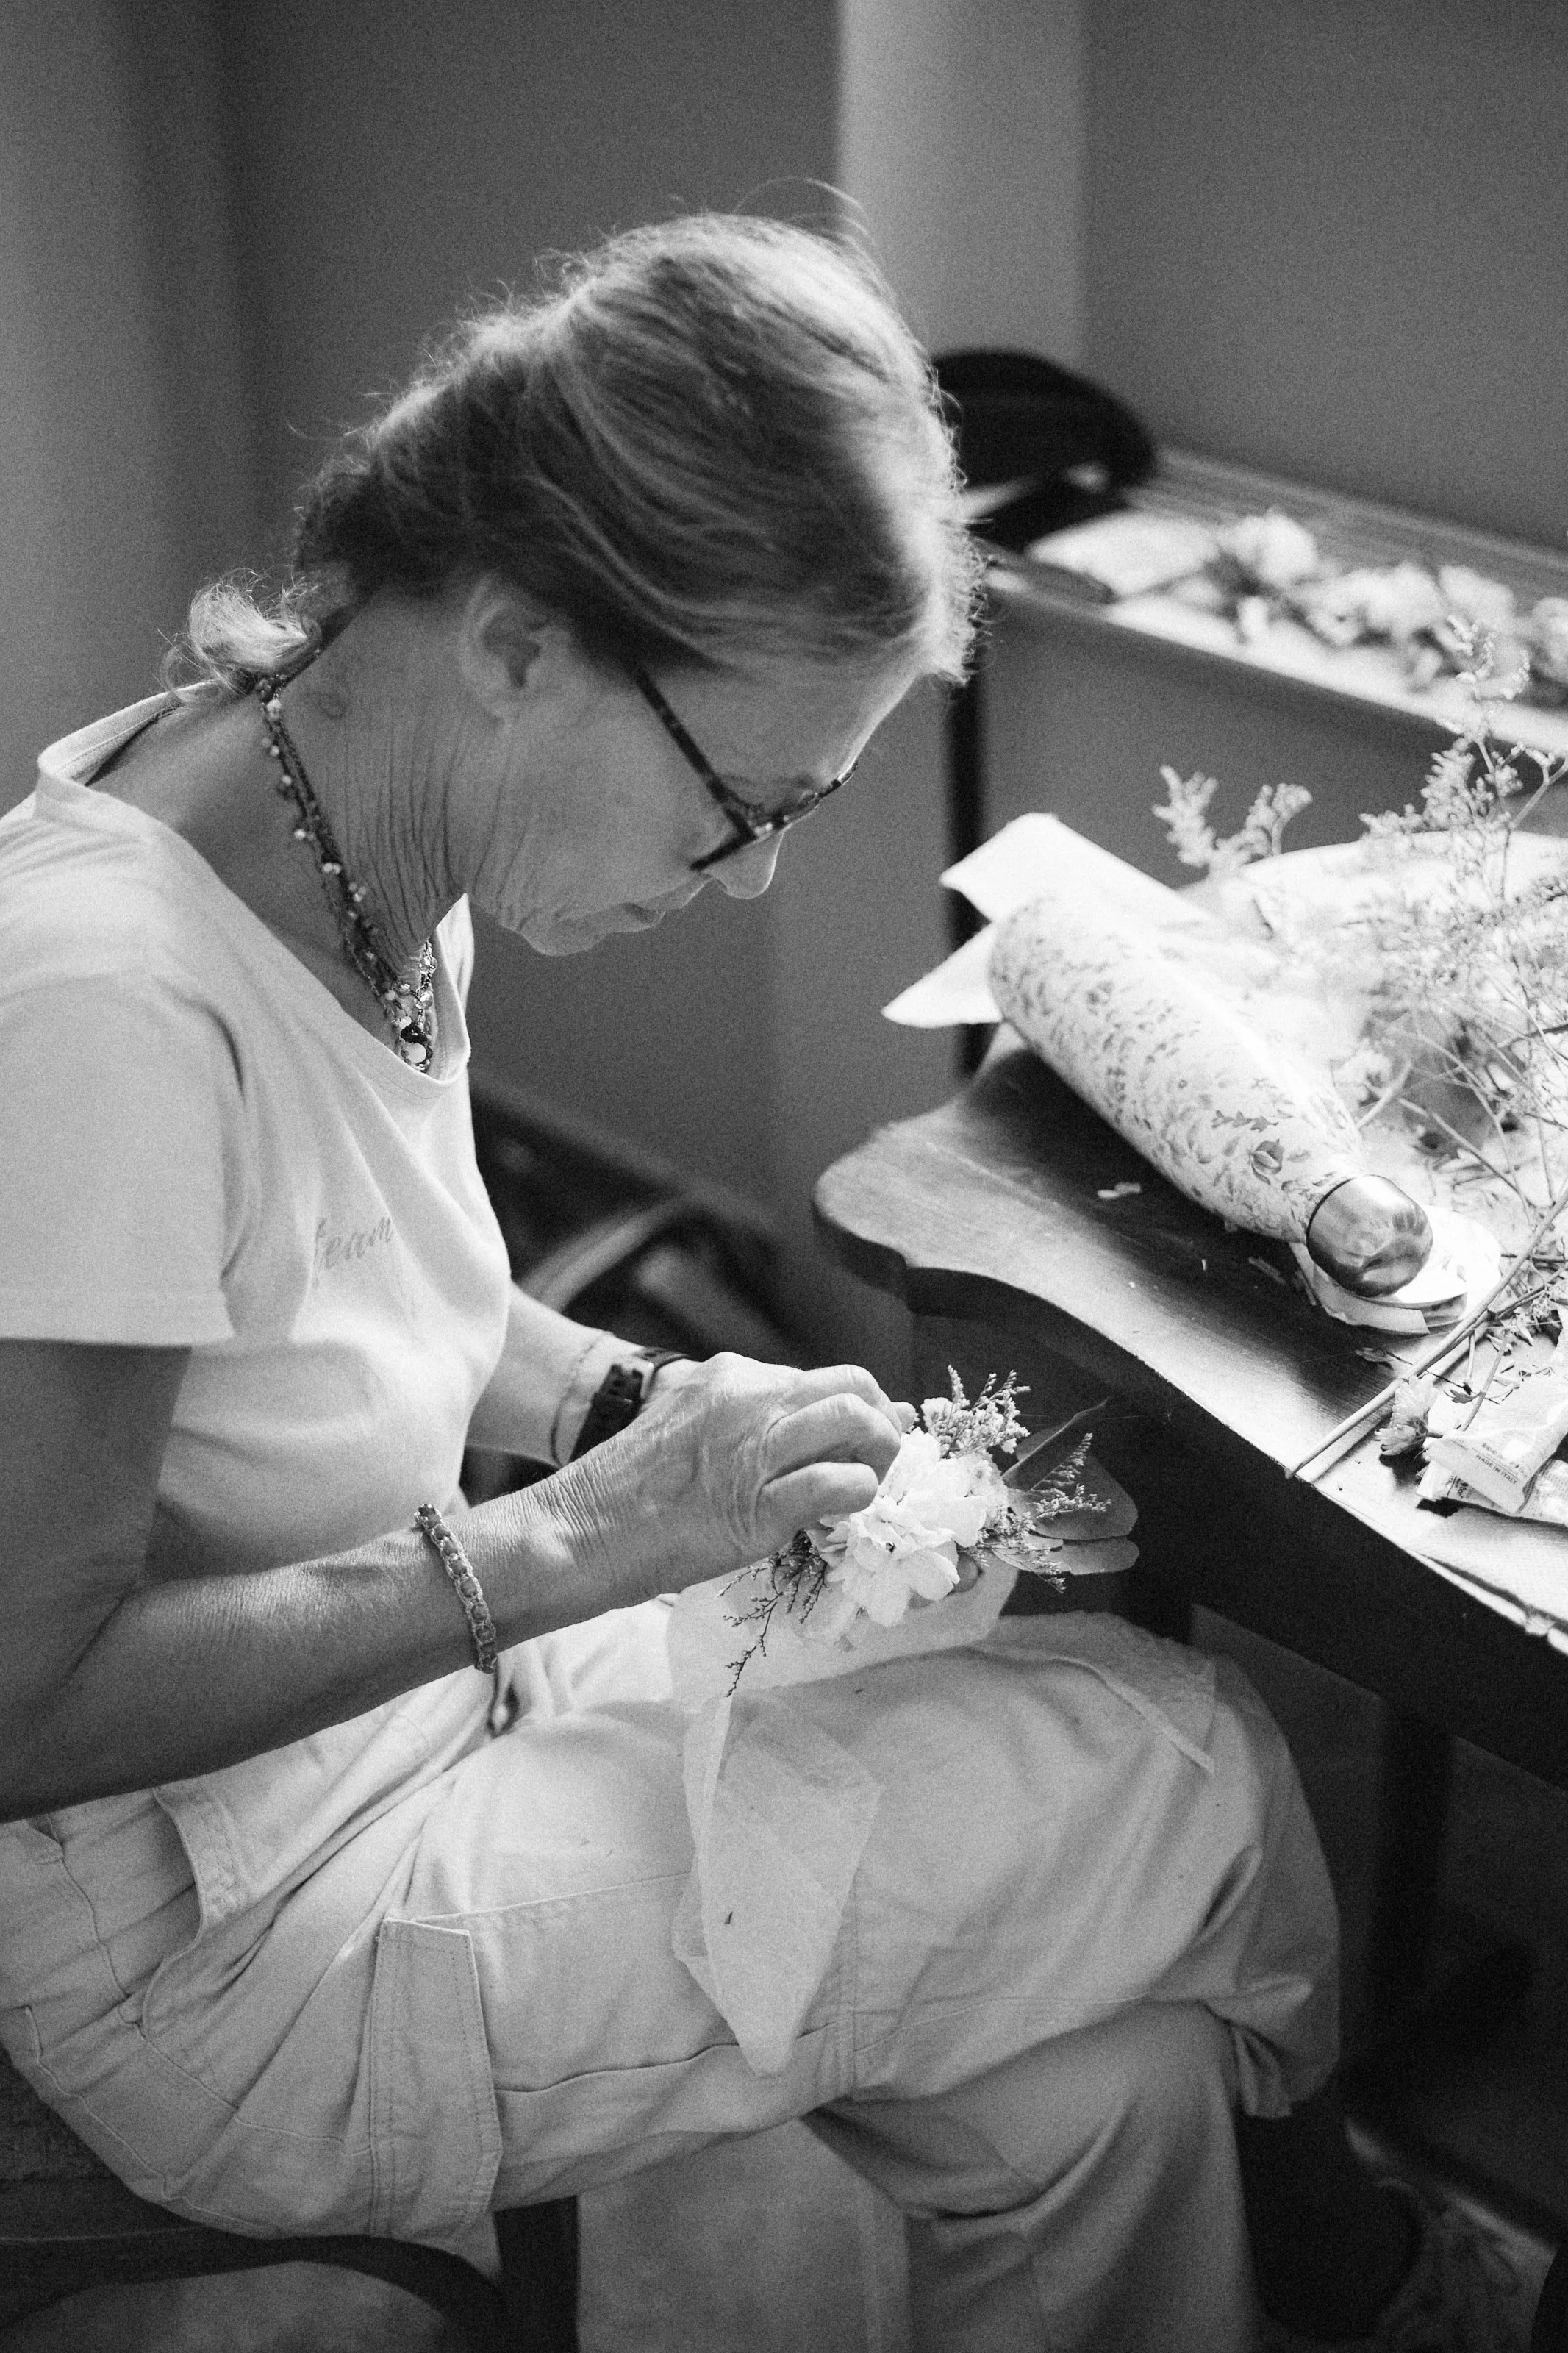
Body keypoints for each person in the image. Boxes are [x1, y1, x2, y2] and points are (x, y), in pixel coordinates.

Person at [0, 215, 1519, 2353]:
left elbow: (341, 1307)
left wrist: (633, 1406)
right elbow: (20, 1704)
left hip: (427, 1699)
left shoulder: (344, 800)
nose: (757, 878)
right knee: (1186, 1766)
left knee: (1108, 2099)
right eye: (742, 804)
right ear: (520, 642)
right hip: (231, 1940)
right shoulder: (101, 1011)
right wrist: (584, 1541)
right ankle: (1381, 2290)